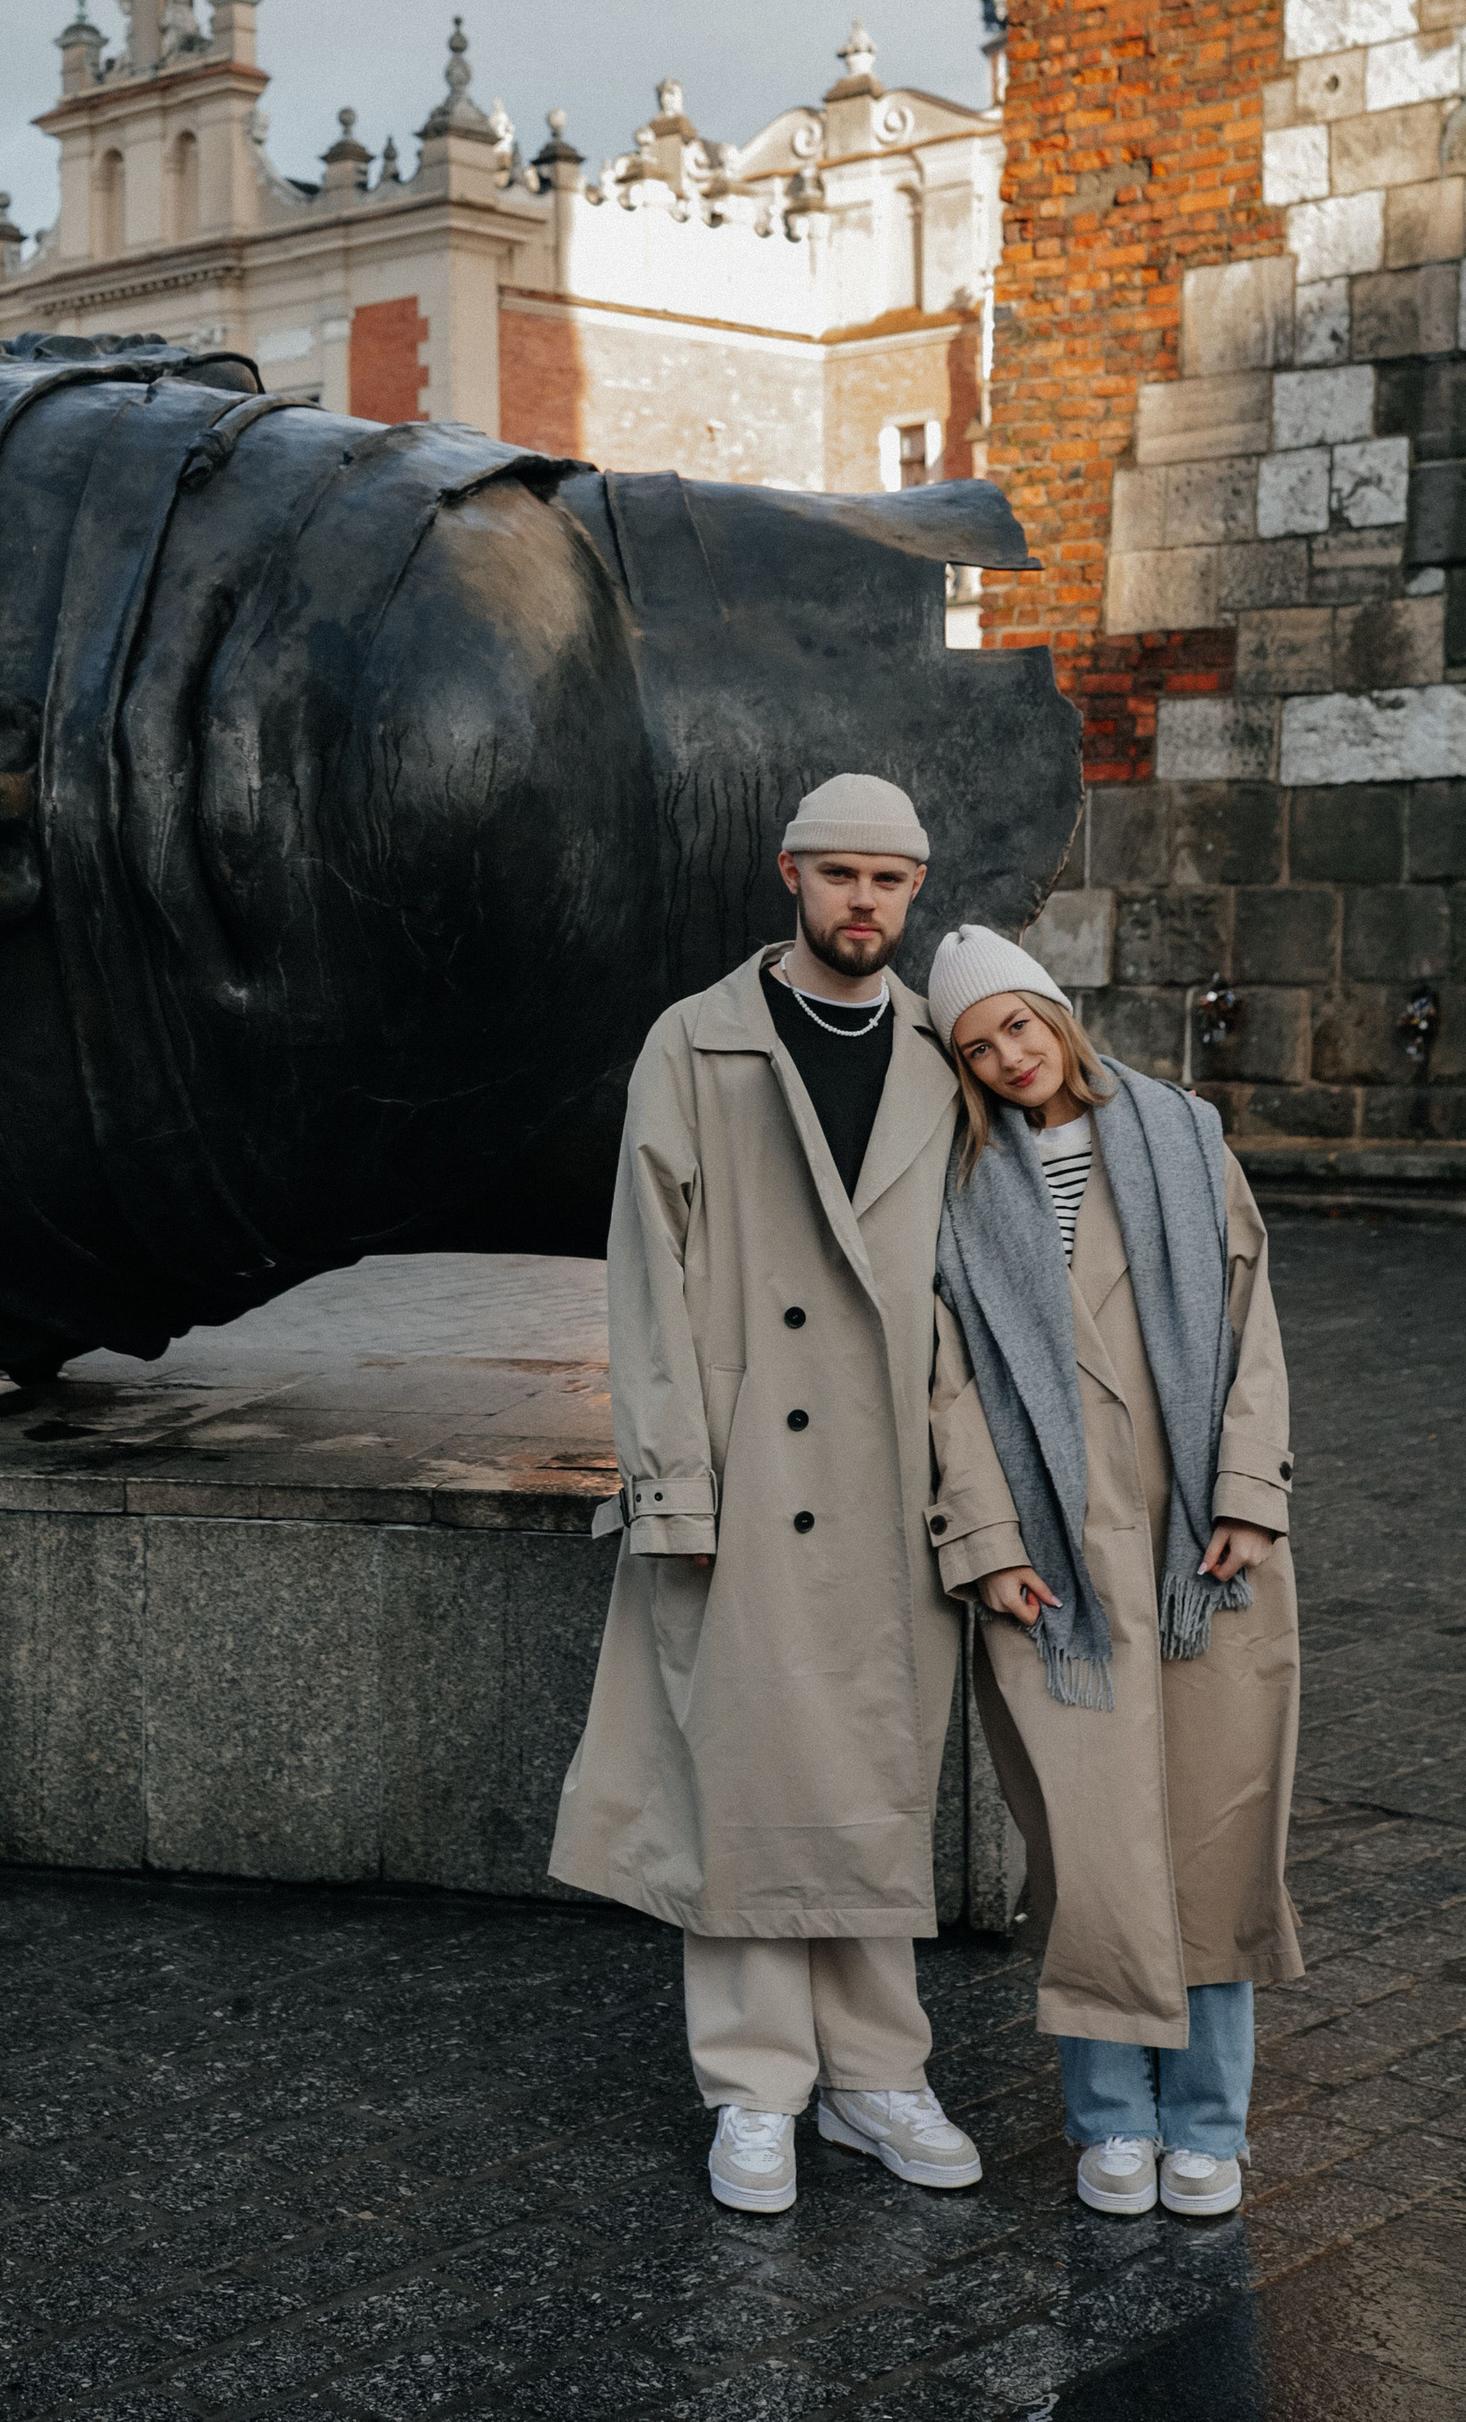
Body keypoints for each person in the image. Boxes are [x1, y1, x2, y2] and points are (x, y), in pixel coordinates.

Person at [550, 773, 984, 2218]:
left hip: (889, 1482)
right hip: (745, 1473)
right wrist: (673, 1480)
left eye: (893, 883)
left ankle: (874, 2076)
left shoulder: (942, 1053)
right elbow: (647, 1276)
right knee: (739, 1788)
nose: (867, 904)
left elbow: (980, 1292)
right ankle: (753, 2090)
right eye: (844, 875)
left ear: (916, 895)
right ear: (789, 873)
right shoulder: (701, 1042)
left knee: (870, 1782)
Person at [924, 928, 1300, 2222]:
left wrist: (1251, 1499)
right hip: (1057, 1553)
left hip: (1195, 1541)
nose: (1008, 1057)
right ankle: (1108, 2119)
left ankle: (1207, 2119)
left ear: (1055, 1012)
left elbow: (1253, 1327)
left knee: (1209, 1828)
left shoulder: (1185, 1137)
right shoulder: (961, 1185)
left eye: (1017, 1026)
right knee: (1092, 1844)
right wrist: (987, 1549)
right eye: (978, 1048)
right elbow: (949, 1386)